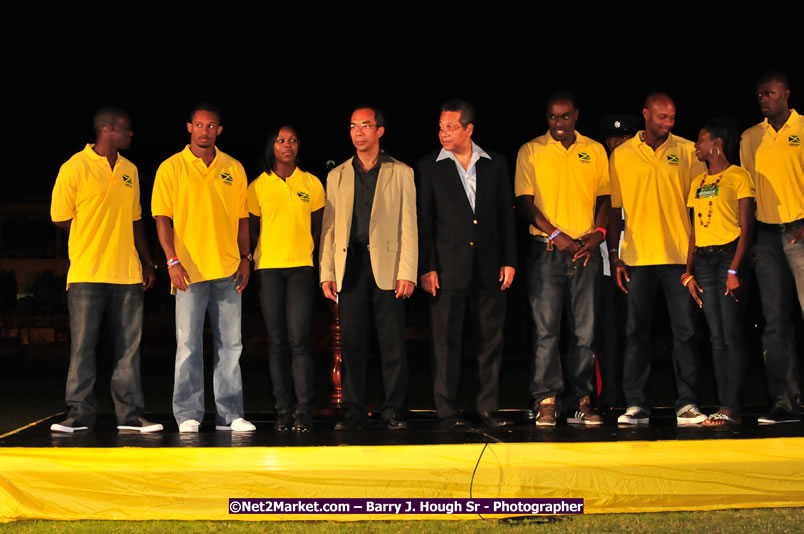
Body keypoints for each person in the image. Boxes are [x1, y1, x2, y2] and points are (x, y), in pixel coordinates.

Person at [50, 107, 161, 433]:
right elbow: (59, 215)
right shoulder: (75, 167)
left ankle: (129, 417)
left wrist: (147, 260)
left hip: (126, 275)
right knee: (83, 348)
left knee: (128, 350)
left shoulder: (130, 169)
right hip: (87, 273)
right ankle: (78, 416)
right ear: (108, 130)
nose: (131, 134)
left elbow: (135, 218)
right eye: (125, 128)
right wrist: (92, 232)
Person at [152, 103, 255, 433]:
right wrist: (172, 260)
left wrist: (245, 257)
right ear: (189, 127)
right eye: (199, 125)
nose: (205, 131)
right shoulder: (171, 168)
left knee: (231, 346)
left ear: (219, 131)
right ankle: (188, 414)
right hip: (188, 272)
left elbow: (242, 219)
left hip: (227, 270)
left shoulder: (233, 168)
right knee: (188, 345)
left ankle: (230, 414)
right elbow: (161, 219)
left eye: (211, 126)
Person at [607, 93, 708, 426]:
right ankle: (636, 403)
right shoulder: (621, 155)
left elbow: (697, 210)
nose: (668, 123)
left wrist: (697, 260)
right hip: (637, 256)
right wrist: (615, 257)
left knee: (686, 333)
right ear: (646, 114)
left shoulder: (687, 150)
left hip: (680, 257)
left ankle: (688, 403)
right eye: (662, 117)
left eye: (672, 118)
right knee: (636, 333)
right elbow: (616, 211)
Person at [416, 99, 517, 429]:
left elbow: (506, 215)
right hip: (447, 268)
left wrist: (509, 260)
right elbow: (425, 221)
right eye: (441, 127)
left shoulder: (495, 163)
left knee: (490, 340)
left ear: (468, 129)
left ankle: (487, 407)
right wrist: (427, 267)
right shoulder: (429, 166)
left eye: (450, 127)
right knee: (446, 341)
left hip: (489, 266)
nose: (443, 133)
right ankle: (447, 409)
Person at [319, 105, 417, 431]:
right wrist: (327, 272)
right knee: (352, 344)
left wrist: (408, 271)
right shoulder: (337, 175)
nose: (358, 131)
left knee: (392, 345)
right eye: (353, 126)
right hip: (351, 266)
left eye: (365, 125)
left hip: (388, 267)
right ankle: (353, 412)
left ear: (380, 131)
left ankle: (395, 411)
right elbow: (329, 229)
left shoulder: (401, 171)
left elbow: (409, 225)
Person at [515, 92, 610, 426]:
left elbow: (605, 197)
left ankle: (582, 400)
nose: (558, 123)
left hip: (586, 251)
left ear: (576, 116)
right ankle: (546, 399)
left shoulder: (594, 150)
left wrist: (598, 233)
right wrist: (556, 234)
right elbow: (525, 202)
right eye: (553, 117)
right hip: (547, 250)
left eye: (565, 117)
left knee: (585, 332)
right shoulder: (531, 150)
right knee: (546, 331)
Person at [248, 126, 324, 432]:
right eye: (280, 140)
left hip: (301, 269)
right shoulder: (257, 186)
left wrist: (307, 250)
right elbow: (251, 228)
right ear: (271, 146)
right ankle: (282, 410)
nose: (287, 145)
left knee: (299, 340)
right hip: (268, 269)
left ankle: (304, 411)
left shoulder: (311, 183)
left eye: (293, 140)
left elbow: (318, 227)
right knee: (277, 342)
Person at [740, 72, 803, 424]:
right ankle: (785, 400)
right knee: (774, 323)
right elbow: (747, 192)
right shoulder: (752, 137)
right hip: (766, 235)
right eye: (759, 94)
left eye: (770, 93)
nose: (764, 98)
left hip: (800, 231)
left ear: (786, 94)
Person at [684, 118, 755, 426]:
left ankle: (731, 406)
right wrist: (688, 273)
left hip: (729, 255)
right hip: (704, 260)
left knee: (731, 333)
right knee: (715, 336)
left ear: (716, 144)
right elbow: (693, 231)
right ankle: (722, 406)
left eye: (700, 140)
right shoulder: (697, 183)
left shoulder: (739, 176)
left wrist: (735, 268)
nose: (696, 146)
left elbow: (746, 228)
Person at [595, 114, 638, 411]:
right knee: (606, 335)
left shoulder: (639, 168)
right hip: (604, 267)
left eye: (623, 137)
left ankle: (635, 397)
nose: (617, 143)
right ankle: (609, 396)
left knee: (635, 333)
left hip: (638, 263)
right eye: (611, 138)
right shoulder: (601, 170)